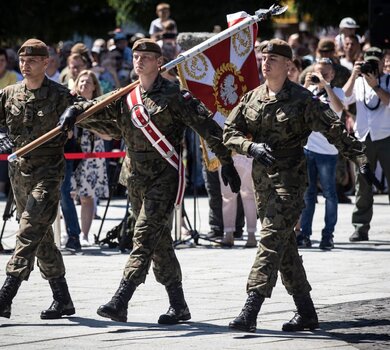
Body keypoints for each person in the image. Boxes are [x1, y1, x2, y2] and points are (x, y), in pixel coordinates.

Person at [58, 38, 241, 324]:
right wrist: (75, 112)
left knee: (143, 236)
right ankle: (179, 305)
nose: (139, 60)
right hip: (134, 179)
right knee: (158, 243)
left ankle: (121, 299)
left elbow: (207, 126)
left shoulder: (175, 96)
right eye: (136, 56)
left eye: (146, 56)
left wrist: (226, 162)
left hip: (163, 177)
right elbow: (98, 111)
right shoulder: (126, 96)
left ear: (159, 62)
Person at [223, 39, 375, 333]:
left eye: (273, 59)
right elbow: (229, 131)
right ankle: (306, 312)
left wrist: (360, 157)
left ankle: (251, 308)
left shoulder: (302, 100)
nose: (266, 63)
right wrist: (249, 147)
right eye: (264, 58)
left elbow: (334, 129)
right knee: (285, 247)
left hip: (290, 182)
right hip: (263, 182)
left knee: (269, 239)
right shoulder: (251, 97)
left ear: (288, 66)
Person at [0, 39, 78, 320]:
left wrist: (72, 118)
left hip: (48, 172)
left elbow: (82, 115)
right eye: (22, 60)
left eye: (32, 60)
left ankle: (6, 294)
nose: (25, 65)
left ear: (46, 62)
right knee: (42, 238)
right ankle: (63, 300)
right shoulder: (9, 94)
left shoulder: (60, 95)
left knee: (29, 230)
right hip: (19, 175)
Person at [298, 58, 346, 250]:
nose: (321, 77)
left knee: (329, 194)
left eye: (325, 74)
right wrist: (306, 85)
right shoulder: (307, 91)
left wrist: (326, 86)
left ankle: (328, 235)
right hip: (308, 149)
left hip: (328, 151)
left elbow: (338, 109)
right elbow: (295, 108)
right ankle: (305, 234)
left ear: (332, 75)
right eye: (319, 73)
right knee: (308, 195)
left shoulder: (337, 92)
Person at [343, 47, 390, 242]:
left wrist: (376, 87)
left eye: (374, 62)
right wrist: (354, 76)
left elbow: (388, 101)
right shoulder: (359, 82)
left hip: (386, 137)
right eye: (367, 62)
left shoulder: (387, 80)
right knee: (362, 185)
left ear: (381, 63)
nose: (371, 66)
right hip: (363, 138)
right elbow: (345, 98)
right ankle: (361, 227)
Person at [72, 70, 110, 246]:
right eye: (81, 81)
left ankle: (84, 235)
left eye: (88, 82)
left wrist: (87, 121)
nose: (83, 84)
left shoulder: (101, 106)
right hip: (71, 152)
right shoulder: (68, 103)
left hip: (92, 153)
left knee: (87, 196)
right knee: (68, 194)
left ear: (94, 86)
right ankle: (71, 233)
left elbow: (109, 135)